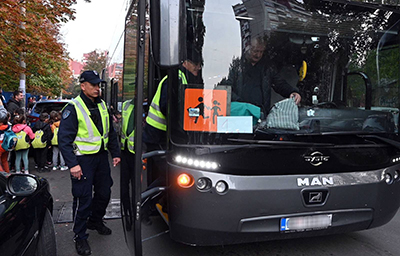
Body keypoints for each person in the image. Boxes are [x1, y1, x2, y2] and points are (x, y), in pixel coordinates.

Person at [58, 70, 121, 256]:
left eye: (98, 85)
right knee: (83, 197)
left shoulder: (102, 105)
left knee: (104, 192)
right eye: (93, 85)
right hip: (82, 160)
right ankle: (80, 236)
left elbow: (110, 132)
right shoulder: (73, 108)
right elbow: (64, 140)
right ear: (83, 85)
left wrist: (115, 153)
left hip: (101, 158)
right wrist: (73, 165)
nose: (97, 88)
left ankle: (95, 220)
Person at [141, 46, 202, 224]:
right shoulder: (176, 78)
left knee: (168, 174)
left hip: (159, 135)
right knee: (168, 175)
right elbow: (169, 108)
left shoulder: (181, 77)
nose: (198, 68)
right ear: (185, 63)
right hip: (157, 135)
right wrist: (182, 130)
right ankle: (143, 208)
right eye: (196, 65)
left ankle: (166, 206)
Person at [226, 37, 301, 113]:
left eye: (261, 52)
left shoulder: (267, 67)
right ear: (247, 48)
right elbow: (227, 89)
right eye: (255, 51)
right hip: (240, 112)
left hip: (261, 113)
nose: (258, 55)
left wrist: (292, 92)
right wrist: (240, 103)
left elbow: (279, 83)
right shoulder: (237, 66)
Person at [0, 100, 9, 173]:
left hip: (0, 146)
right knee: (4, 160)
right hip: (6, 145)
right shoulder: (8, 126)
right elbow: (3, 111)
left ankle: (3, 176)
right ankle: (8, 173)